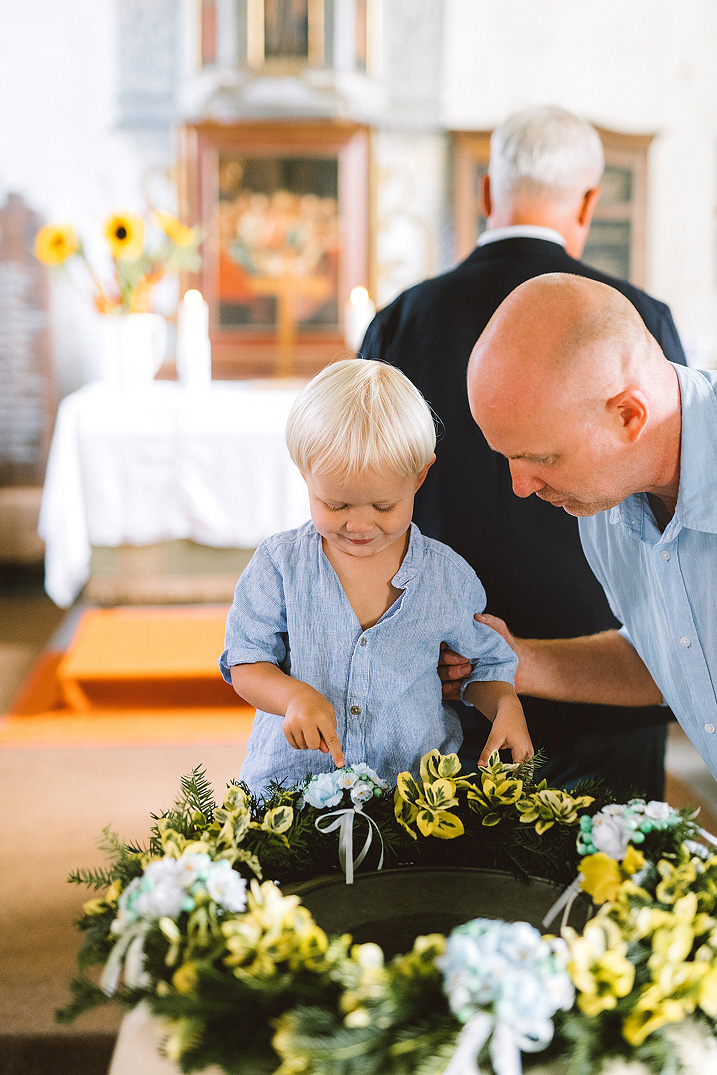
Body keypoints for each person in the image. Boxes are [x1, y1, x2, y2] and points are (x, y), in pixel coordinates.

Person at [360, 105, 686, 800]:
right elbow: (672, 520)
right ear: (589, 201)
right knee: (611, 892)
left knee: (443, 886)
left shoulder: (400, 321)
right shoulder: (636, 318)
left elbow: (363, 504)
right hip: (605, 692)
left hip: (441, 675)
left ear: (486, 192)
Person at [219, 359, 532, 797]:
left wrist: (505, 705)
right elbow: (245, 662)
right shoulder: (280, 565)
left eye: (383, 507)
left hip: (413, 797)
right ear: (304, 474)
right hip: (293, 795)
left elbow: (485, 663)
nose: (360, 525)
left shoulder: (447, 577)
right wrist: (292, 697)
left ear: (420, 476)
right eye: (336, 505)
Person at [463, 271, 717, 783]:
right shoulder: (606, 502)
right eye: (508, 458)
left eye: (541, 457)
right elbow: (670, 654)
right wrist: (520, 661)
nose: (520, 486)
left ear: (628, 415)